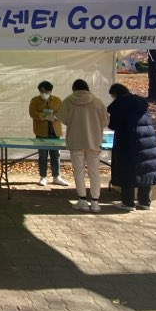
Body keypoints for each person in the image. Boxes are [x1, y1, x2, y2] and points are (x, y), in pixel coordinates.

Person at [107, 83, 156, 211]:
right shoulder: (140, 102)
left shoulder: (120, 104)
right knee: (145, 170)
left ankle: (128, 203)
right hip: (148, 141)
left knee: (127, 170)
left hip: (128, 141)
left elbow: (113, 124)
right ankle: (145, 202)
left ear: (115, 94)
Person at [58, 79, 107, 213]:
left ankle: (82, 200)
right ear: (87, 88)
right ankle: (95, 202)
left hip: (75, 140)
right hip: (94, 141)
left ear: (74, 89)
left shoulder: (68, 101)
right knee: (94, 171)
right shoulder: (97, 102)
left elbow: (64, 119)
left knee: (78, 171)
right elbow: (105, 121)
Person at [28, 80, 69, 187]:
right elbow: (32, 113)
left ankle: (57, 177)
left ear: (50, 91)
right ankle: (43, 177)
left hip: (55, 132)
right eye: (42, 91)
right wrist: (44, 116)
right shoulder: (35, 100)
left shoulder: (57, 100)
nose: (44, 94)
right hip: (41, 132)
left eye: (46, 92)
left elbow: (62, 112)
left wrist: (55, 116)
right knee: (42, 155)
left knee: (56, 155)